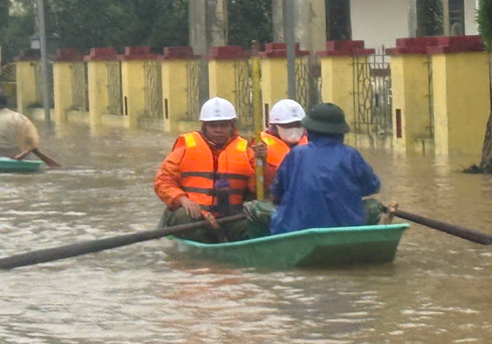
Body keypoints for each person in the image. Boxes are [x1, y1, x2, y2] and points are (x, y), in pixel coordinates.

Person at [154, 97, 267, 243]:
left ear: (231, 126)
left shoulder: (247, 151)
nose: (219, 130)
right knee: (184, 217)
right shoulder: (186, 147)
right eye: (213, 126)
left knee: (254, 227)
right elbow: (163, 181)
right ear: (205, 127)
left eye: (224, 125)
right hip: (194, 215)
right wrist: (182, 200)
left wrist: (262, 162)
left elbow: (256, 188)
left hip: (230, 217)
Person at [267, 102, 383, 235]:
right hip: (346, 230)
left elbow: (277, 194)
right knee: (373, 205)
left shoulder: (296, 155)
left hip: (294, 230)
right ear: (341, 132)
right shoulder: (352, 155)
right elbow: (372, 186)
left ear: (309, 130)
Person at [259, 99, 309, 180]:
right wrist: (263, 163)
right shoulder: (260, 145)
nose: (293, 129)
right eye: (287, 125)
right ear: (274, 127)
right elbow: (254, 185)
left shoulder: (312, 143)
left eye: (297, 124)